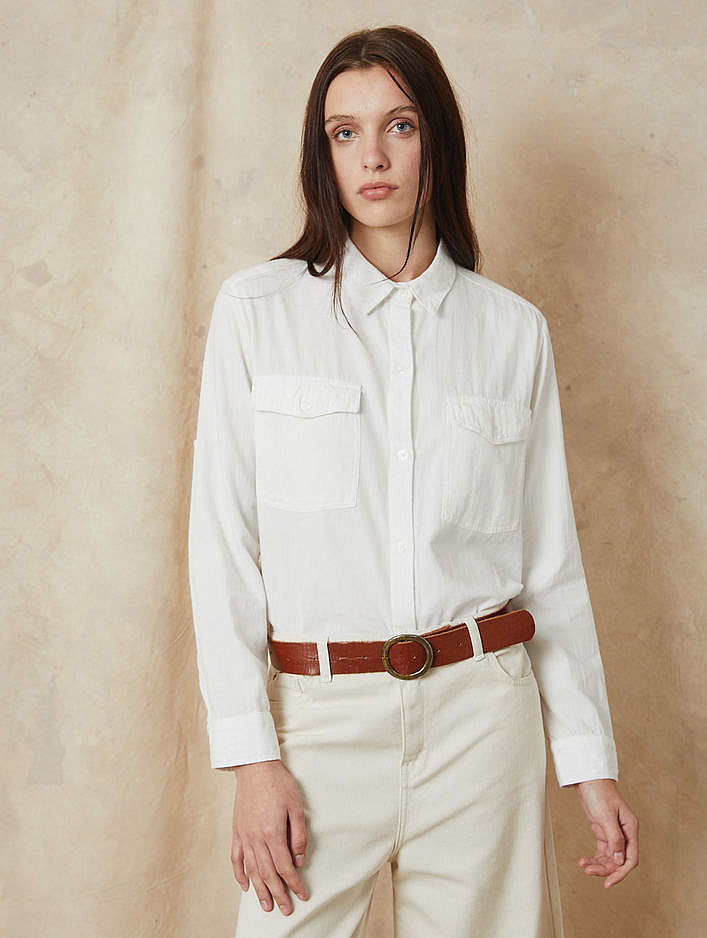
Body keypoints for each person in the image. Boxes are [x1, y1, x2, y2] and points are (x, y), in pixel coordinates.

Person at [188, 24, 639, 938]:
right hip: (316, 727)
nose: (373, 156)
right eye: (344, 132)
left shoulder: (513, 332)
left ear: (438, 137)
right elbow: (222, 546)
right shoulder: (257, 312)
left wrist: (589, 761)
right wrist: (251, 759)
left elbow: (549, 565)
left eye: (399, 125)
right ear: (322, 154)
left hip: (483, 723)